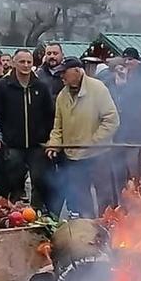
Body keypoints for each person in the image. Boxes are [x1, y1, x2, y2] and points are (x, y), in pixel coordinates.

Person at [46, 56, 119, 217]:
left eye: (64, 73)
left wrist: (94, 142)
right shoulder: (62, 96)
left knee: (104, 196)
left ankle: (108, 226)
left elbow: (111, 120)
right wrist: (54, 143)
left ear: (77, 71)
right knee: (80, 197)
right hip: (73, 156)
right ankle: (87, 230)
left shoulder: (98, 89)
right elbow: (58, 126)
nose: (61, 76)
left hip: (98, 154)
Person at [0, 49, 55, 209]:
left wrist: (48, 136)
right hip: (13, 144)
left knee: (40, 180)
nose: (26, 65)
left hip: (37, 143)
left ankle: (38, 213)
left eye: (29, 62)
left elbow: (49, 114)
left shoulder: (41, 87)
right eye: (22, 62)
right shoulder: (3, 86)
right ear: (14, 63)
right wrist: (0, 137)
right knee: (14, 181)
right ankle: (15, 213)